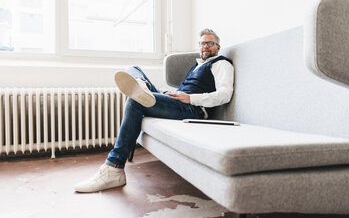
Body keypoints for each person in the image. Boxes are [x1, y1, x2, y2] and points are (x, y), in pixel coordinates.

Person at [74, 28, 234, 193]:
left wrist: (191, 98)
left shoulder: (221, 63)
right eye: (202, 43)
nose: (205, 46)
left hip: (193, 109)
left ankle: (114, 168)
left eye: (210, 43)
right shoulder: (199, 64)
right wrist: (166, 93)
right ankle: (141, 86)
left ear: (218, 47)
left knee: (135, 100)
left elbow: (225, 95)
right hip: (177, 101)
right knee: (133, 68)